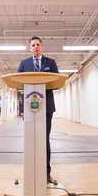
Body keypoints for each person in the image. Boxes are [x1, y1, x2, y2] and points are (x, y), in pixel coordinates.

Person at [17, 36, 59, 184]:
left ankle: (46, 174)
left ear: (42, 46)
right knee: (31, 139)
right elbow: (18, 84)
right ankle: (30, 172)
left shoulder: (50, 63)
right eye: (33, 45)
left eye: (38, 44)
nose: (36, 47)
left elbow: (57, 82)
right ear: (30, 48)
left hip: (46, 107)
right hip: (29, 107)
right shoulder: (24, 64)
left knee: (44, 139)